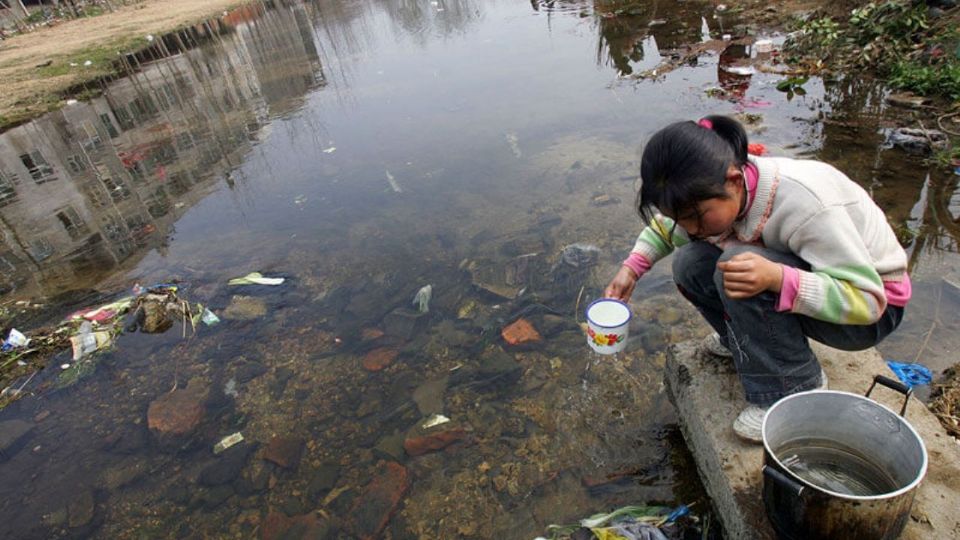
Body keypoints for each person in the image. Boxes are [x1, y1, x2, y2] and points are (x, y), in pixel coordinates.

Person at [604, 115, 910, 443]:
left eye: (695, 216)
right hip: (823, 285)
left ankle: (794, 385)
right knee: (690, 264)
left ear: (734, 181)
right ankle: (743, 342)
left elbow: (869, 303)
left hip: (867, 312)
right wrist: (630, 270)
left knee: (738, 267)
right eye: (681, 217)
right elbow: (668, 230)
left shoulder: (805, 205)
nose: (690, 228)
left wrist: (778, 278)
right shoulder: (716, 191)